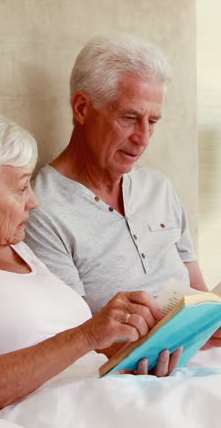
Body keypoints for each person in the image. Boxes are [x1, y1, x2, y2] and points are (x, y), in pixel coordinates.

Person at [0, 112, 186, 416]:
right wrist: (88, 334)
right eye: (23, 187)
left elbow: (76, 354)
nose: (34, 202)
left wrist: (135, 357)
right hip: (56, 417)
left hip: (100, 395)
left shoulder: (20, 249)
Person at [25, 35, 208, 319]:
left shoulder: (158, 186)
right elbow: (74, 337)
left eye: (153, 121)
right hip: (120, 363)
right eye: (130, 118)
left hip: (197, 353)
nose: (143, 138)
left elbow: (199, 295)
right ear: (82, 108)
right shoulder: (42, 210)